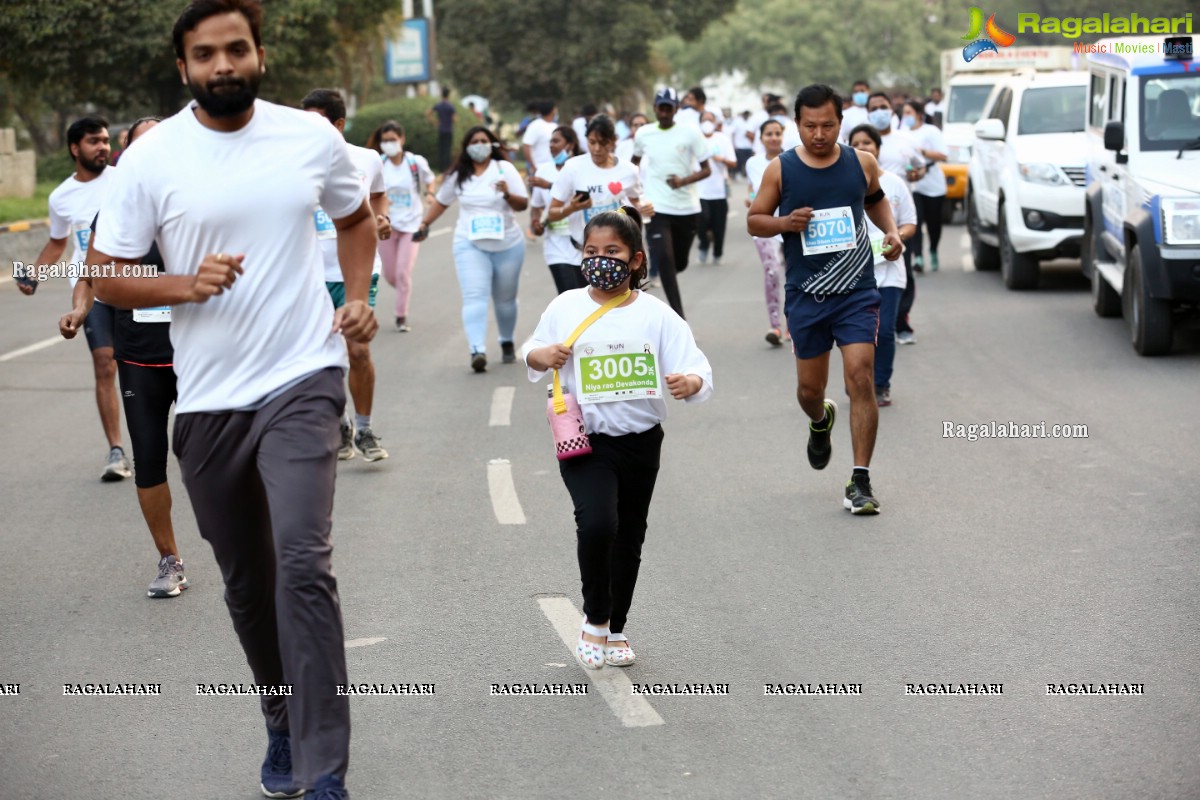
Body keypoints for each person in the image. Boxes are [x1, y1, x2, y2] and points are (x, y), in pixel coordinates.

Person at [90, 1, 378, 796]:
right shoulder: (151, 161)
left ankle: (324, 768)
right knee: (248, 583)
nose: (224, 65)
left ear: (259, 56)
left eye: (237, 50)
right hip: (211, 399)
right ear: (183, 68)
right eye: (206, 54)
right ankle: (281, 719)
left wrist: (355, 297)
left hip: (303, 376)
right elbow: (105, 270)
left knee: (302, 563)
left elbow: (356, 220)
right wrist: (185, 283)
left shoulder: (309, 138)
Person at [522, 206, 713, 670]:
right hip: (586, 441)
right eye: (591, 251)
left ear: (635, 260)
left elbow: (698, 366)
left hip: (641, 441)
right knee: (598, 524)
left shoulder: (657, 316)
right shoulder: (565, 306)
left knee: (629, 534)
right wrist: (541, 354)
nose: (599, 259)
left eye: (612, 252)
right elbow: (532, 350)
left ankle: (617, 628)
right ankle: (594, 619)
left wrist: (691, 383)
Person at [747, 84, 904, 516]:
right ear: (797, 124)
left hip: (856, 292)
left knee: (860, 377)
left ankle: (860, 480)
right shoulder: (781, 171)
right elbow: (754, 221)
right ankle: (820, 420)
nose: (819, 134)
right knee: (809, 390)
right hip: (807, 296)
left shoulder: (861, 163)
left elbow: (876, 202)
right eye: (811, 126)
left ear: (840, 122)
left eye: (829, 125)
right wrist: (785, 222)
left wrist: (890, 233)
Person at [60, 116, 189, 597]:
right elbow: (90, 275)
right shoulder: (113, 211)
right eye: (141, 145)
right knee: (150, 460)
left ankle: (242, 547)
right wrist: (78, 309)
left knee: (209, 456)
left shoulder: (196, 203)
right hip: (140, 357)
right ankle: (169, 559)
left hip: (201, 353)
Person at [22, 115, 131, 482]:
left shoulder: (125, 180)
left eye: (105, 140)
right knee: (105, 364)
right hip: (90, 287)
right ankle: (116, 449)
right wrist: (34, 273)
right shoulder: (60, 196)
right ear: (74, 148)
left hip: (135, 284)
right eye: (94, 141)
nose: (103, 147)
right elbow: (58, 242)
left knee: (156, 364)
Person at [303, 89, 393, 462]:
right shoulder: (293, 162)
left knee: (357, 350)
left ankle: (365, 428)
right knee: (324, 356)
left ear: (338, 124)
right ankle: (340, 424)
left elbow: (378, 197)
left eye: (318, 122)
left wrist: (382, 217)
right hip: (309, 274)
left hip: (356, 270)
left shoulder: (366, 158)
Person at [415, 126, 529, 372]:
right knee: (474, 296)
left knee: (505, 299)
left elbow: (523, 204)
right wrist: (424, 223)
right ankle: (477, 349)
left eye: (483, 141)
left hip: (508, 245)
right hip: (470, 244)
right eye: (474, 141)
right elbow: (442, 202)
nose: (479, 145)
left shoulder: (504, 169)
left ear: (492, 145)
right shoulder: (459, 175)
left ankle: (506, 341)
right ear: (467, 147)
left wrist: (507, 194)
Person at [848, 124, 917, 408]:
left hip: (889, 269)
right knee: (857, 334)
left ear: (878, 148)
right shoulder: (842, 184)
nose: (863, 147)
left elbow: (910, 223)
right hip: (853, 272)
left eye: (868, 143)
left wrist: (896, 237)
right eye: (857, 143)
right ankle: (857, 381)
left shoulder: (896, 183)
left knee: (885, 329)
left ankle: (881, 384)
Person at [631, 88, 711, 319]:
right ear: (655, 108)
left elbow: (707, 169)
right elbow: (633, 165)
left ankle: (670, 273)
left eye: (669, 107)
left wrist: (683, 181)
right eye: (661, 107)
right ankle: (679, 319)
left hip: (687, 208)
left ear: (676, 109)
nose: (664, 112)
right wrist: (632, 193)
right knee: (664, 259)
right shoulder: (644, 134)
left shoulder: (690, 134)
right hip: (656, 207)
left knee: (679, 262)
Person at [546, 115, 644, 289]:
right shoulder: (573, 168)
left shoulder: (629, 170)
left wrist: (645, 207)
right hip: (578, 256)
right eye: (592, 142)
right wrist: (572, 208)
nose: (597, 149)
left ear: (613, 140)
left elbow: (638, 203)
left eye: (603, 142)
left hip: (614, 260)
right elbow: (552, 214)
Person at [866, 93, 925, 346]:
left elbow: (919, 167)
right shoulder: (856, 145)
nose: (879, 111)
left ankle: (900, 322)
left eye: (883, 107)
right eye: (873, 108)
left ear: (892, 110)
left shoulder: (906, 140)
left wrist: (915, 176)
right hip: (868, 224)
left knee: (902, 273)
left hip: (900, 216)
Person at [370, 120, 435, 331]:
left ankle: (401, 316)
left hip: (412, 225)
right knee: (389, 274)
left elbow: (430, 179)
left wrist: (431, 194)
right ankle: (403, 289)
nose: (389, 144)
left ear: (402, 139)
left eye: (392, 140)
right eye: (385, 140)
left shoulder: (415, 163)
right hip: (387, 225)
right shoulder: (378, 164)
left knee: (402, 273)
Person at [745, 118, 787, 346]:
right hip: (764, 225)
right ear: (761, 138)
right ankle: (775, 326)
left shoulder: (792, 160)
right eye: (769, 133)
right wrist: (750, 199)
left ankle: (793, 323)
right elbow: (752, 188)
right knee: (771, 272)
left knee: (793, 274)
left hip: (789, 223)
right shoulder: (752, 162)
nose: (773, 137)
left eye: (777, 133)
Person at [529, 125, 586, 293]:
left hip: (584, 244)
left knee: (588, 299)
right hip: (556, 246)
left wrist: (548, 185)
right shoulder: (543, 170)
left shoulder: (581, 168)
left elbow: (583, 195)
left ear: (570, 144)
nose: (551, 145)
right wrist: (535, 222)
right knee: (568, 296)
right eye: (550, 142)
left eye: (556, 141)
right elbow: (536, 206)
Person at [901, 99, 947, 273]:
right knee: (915, 221)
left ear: (919, 115)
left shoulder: (931, 131)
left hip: (933, 182)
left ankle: (933, 249)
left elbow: (943, 155)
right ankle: (917, 256)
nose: (905, 117)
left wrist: (921, 151)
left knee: (934, 223)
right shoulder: (902, 133)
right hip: (913, 184)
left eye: (908, 113)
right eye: (904, 113)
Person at [695, 110, 737, 265]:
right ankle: (703, 245)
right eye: (704, 120)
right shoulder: (695, 140)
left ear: (714, 122)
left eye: (710, 120)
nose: (707, 123)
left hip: (718, 190)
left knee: (719, 226)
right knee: (702, 221)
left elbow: (733, 163)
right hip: (699, 190)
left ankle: (717, 252)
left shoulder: (722, 139)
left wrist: (722, 159)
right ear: (699, 122)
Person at [426, 86, 457, 172]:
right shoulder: (450, 106)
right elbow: (454, 119)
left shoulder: (439, 105)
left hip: (441, 129)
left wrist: (435, 122)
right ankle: (448, 169)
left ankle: (441, 169)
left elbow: (428, 113)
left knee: (442, 150)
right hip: (449, 130)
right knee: (448, 150)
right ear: (449, 95)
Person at [521, 99, 556, 168]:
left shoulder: (555, 126)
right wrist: (533, 166)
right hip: (539, 167)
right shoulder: (535, 125)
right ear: (552, 110)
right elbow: (526, 146)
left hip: (553, 167)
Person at [730, 110, 754, 179]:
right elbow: (733, 133)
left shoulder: (750, 122)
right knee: (739, 162)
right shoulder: (737, 122)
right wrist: (733, 144)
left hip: (748, 146)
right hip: (739, 146)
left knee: (748, 162)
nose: (746, 116)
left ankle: (746, 174)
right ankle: (736, 174)